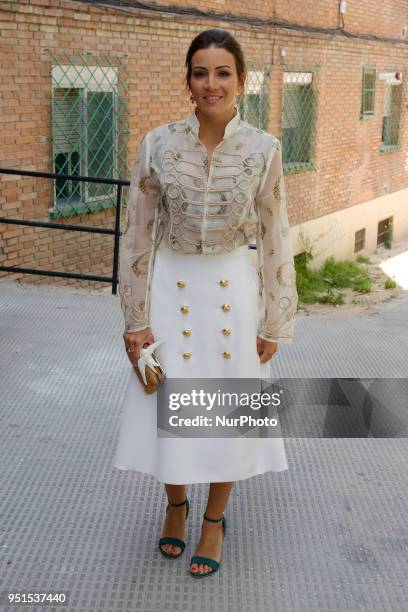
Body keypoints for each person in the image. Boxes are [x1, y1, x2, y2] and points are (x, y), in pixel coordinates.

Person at [112, 28, 298, 578]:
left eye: (223, 72)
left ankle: (214, 520)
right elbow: (139, 233)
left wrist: (275, 318)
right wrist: (136, 318)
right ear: (188, 81)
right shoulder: (158, 144)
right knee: (168, 403)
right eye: (200, 72)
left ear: (242, 81)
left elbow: (274, 235)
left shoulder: (265, 149)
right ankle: (175, 506)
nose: (210, 83)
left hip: (231, 294)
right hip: (171, 289)